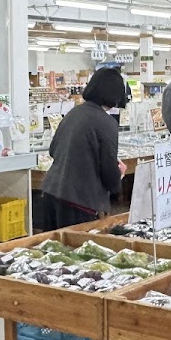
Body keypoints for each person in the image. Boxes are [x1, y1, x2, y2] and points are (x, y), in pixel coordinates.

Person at [38, 67, 128, 230]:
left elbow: (53, 150)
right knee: (76, 251)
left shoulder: (73, 113)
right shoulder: (107, 123)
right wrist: (118, 176)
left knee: (52, 250)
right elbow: (108, 170)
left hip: (51, 193)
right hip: (81, 201)